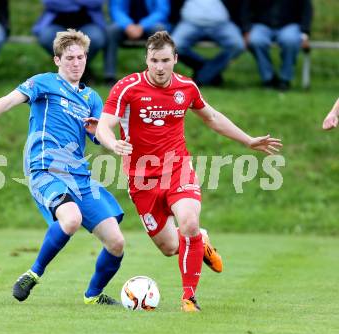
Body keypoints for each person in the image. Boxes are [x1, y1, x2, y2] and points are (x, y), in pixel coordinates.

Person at [95, 31, 282, 312]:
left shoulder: (187, 87)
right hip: (141, 178)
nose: (159, 67)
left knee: (188, 223)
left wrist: (248, 140)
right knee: (170, 247)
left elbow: (212, 117)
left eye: (165, 60)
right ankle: (201, 243)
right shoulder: (127, 88)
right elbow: (103, 125)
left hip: (178, 169)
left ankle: (189, 298)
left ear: (175, 59)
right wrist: (113, 144)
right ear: (146, 58)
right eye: (154, 60)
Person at [0, 29, 125, 305]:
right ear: (57, 60)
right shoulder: (43, 84)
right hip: (45, 169)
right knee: (71, 219)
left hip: (79, 176)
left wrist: (110, 142)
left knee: (116, 243)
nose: (76, 63)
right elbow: (6, 101)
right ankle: (33, 273)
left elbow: (100, 133)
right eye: (69, 58)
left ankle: (93, 296)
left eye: (80, 57)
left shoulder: (91, 98)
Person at [241, 0, 313, 90]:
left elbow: (307, 10)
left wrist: (305, 34)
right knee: (255, 40)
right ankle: (268, 78)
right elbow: (245, 9)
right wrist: (246, 30)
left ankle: (285, 79)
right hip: (262, 25)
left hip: (289, 25)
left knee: (290, 40)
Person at [171, 0, 245, 86]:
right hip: (190, 23)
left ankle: (202, 76)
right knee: (173, 47)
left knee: (238, 45)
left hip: (221, 24)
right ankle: (208, 73)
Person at [32, 0, 106, 82]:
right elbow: (50, 2)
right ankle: (79, 72)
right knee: (46, 37)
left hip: (87, 23)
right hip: (56, 24)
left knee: (96, 39)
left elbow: (97, 2)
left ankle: (76, 71)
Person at [104, 0, 170, 85]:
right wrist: (128, 25)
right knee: (111, 30)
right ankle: (110, 76)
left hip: (150, 25)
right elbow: (116, 9)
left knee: (159, 29)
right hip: (125, 27)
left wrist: (142, 26)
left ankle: (158, 73)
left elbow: (161, 11)